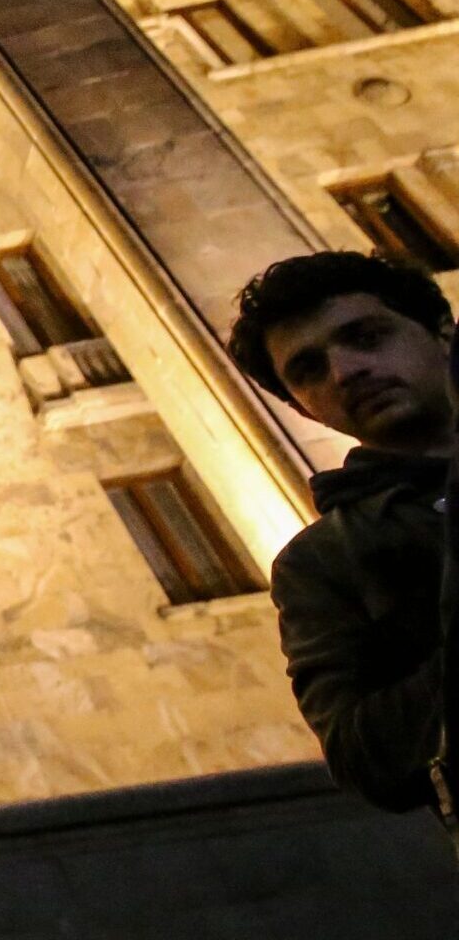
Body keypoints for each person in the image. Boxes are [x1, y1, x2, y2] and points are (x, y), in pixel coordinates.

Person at [232, 251, 459, 816]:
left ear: (442, 332)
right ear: (303, 409)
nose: (344, 371)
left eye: (367, 337)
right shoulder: (322, 562)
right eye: (309, 370)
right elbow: (364, 757)